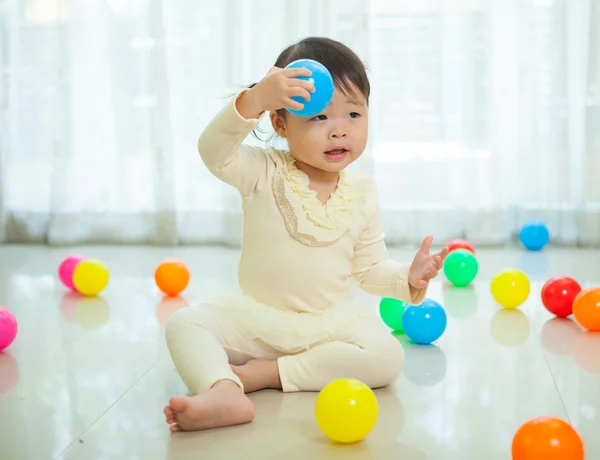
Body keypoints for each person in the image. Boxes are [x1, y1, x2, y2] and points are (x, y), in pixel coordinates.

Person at [163, 36, 448, 433]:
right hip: (258, 322)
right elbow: (214, 151)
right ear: (280, 123)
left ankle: (263, 374)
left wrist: (408, 276)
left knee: (387, 357)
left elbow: (368, 269)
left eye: (353, 114)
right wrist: (255, 99)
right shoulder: (262, 171)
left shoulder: (362, 192)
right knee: (185, 324)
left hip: (327, 329)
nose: (339, 131)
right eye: (319, 117)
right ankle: (223, 389)